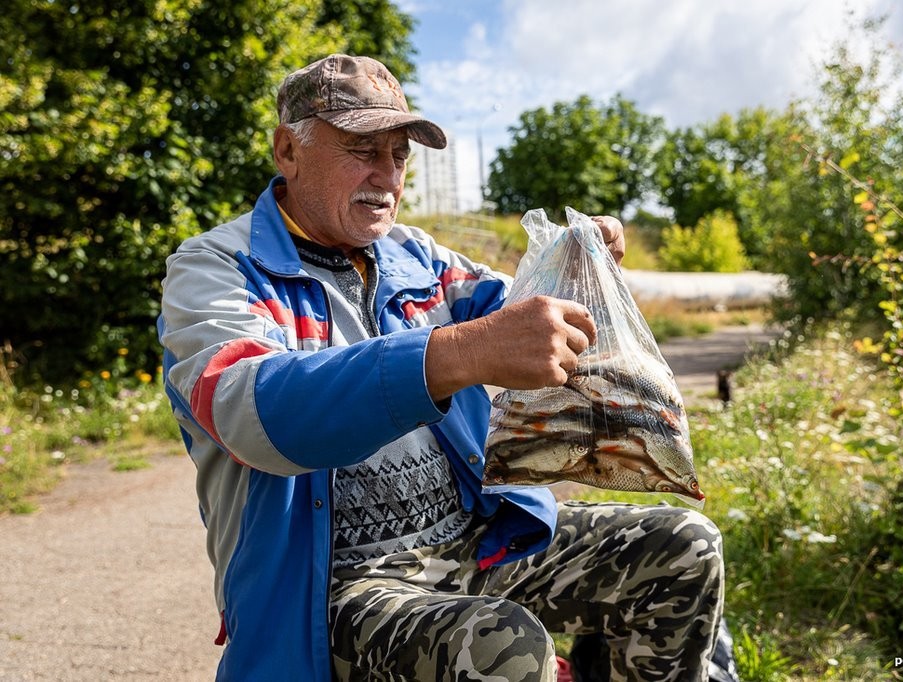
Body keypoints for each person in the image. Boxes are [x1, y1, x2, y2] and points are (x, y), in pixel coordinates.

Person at [159, 53, 724, 681]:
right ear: (288, 150)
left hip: (471, 544)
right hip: (334, 589)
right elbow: (253, 412)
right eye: (361, 148)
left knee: (684, 548)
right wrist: (460, 352)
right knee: (497, 644)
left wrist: (576, 268)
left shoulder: (416, 257)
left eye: (399, 155)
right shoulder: (214, 268)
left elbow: (521, 309)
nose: (386, 176)